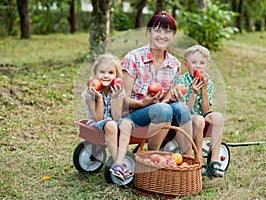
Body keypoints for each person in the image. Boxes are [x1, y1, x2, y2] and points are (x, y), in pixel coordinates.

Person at [120, 11, 193, 155]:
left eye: (167, 31)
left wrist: (171, 98)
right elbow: (121, 100)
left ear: (173, 35)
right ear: (148, 33)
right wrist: (142, 103)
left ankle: (188, 160)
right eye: (157, 30)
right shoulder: (133, 58)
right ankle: (151, 157)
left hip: (160, 113)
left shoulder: (174, 64)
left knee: (182, 108)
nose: (162, 35)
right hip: (131, 115)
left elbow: (164, 100)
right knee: (162, 109)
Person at [81, 53, 134, 181]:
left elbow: (116, 116)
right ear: (95, 73)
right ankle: (119, 165)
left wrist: (116, 96)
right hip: (97, 122)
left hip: (113, 121)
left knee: (126, 123)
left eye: (110, 72)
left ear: (116, 75)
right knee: (109, 124)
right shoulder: (91, 90)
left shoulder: (118, 89)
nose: (106, 75)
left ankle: (118, 163)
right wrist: (98, 98)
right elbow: (98, 118)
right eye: (102, 72)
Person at [176, 45, 225, 177]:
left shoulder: (209, 83)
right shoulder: (182, 81)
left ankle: (214, 160)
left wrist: (203, 90)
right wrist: (193, 93)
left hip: (201, 116)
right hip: (185, 119)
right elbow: (185, 111)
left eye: (202, 63)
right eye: (194, 62)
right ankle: (198, 160)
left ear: (207, 66)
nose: (198, 66)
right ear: (186, 64)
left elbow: (206, 110)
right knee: (199, 119)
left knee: (218, 117)